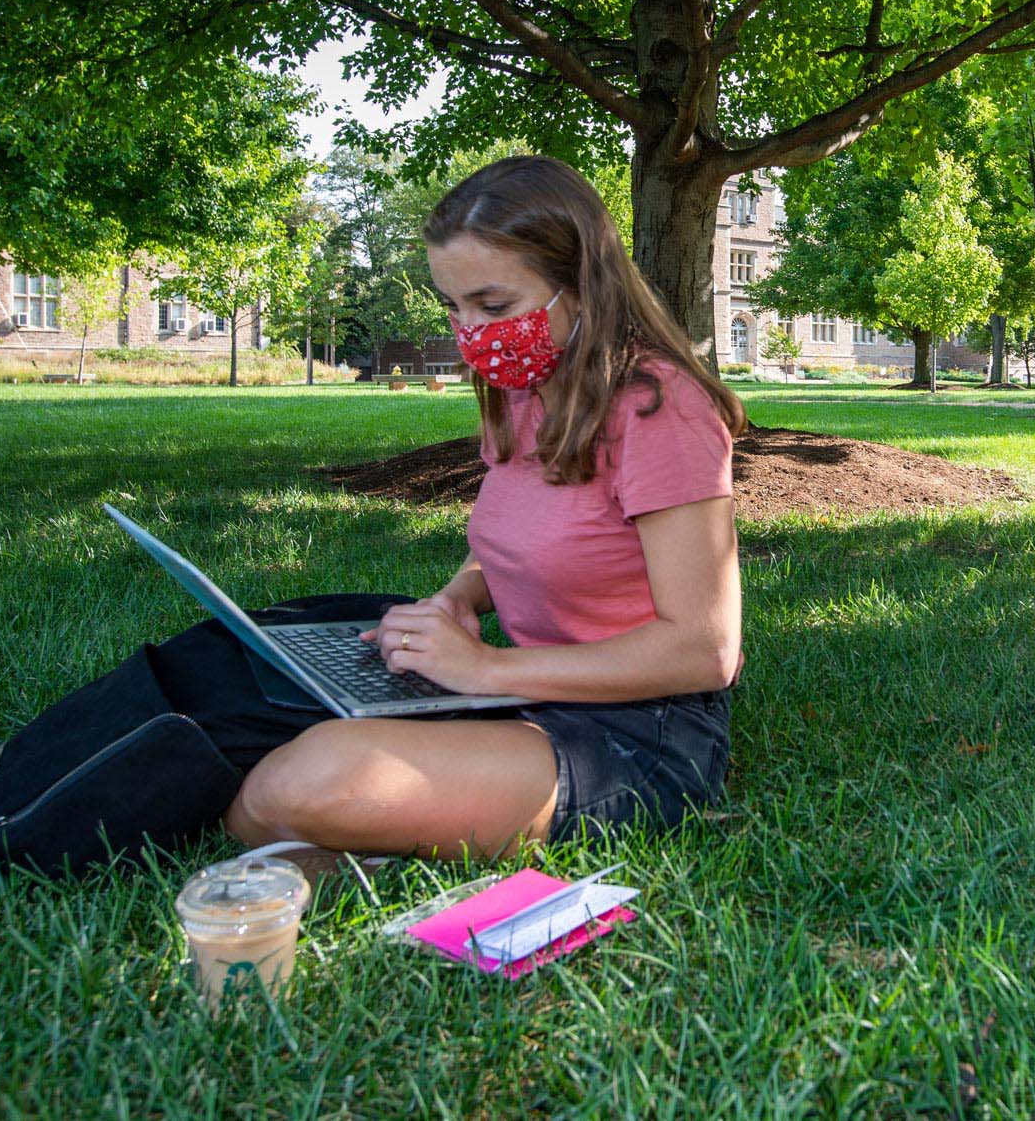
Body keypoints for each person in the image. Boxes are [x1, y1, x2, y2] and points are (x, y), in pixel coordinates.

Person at [224, 154, 749, 859]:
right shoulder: (527, 387)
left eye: (492, 305)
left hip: (642, 733)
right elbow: (518, 536)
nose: (470, 332)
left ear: (581, 285)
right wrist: (461, 593)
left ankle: (354, 839)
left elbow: (704, 649)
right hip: (535, 696)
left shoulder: (662, 406)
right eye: (453, 304)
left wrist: (485, 671)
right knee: (256, 674)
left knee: (302, 782)